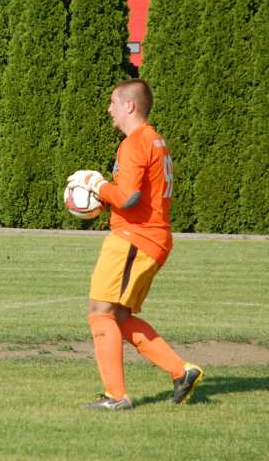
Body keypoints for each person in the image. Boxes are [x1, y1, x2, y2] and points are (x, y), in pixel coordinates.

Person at [68, 78, 202, 410]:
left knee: (100, 312)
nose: (108, 109)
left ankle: (116, 396)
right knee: (121, 317)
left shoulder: (135, 143)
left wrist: (97, 186)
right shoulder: (155, 140)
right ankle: (181, 371)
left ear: (129, 105)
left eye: (113, 102)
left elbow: (127, 196)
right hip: (151, 239)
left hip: (133, 238)